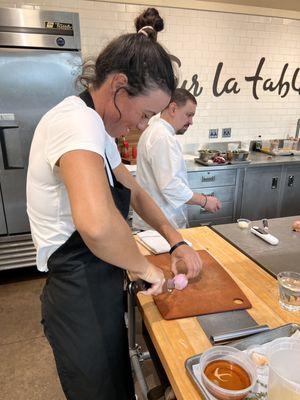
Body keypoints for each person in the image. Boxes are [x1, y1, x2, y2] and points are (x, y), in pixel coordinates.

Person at [26, 8, 202, 400]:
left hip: (100, 281)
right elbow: (96, 225)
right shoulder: (75, 122)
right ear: (119, 87)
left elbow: (135, 190)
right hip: (76, 294)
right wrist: (146, 269)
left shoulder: (100, 132)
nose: (144, 125)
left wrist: (176, 241)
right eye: (145, 113)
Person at [132, 89, 221, 231]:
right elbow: (170, 185)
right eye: (189, 115)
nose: (191, 122)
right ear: (173, 109)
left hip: (156, 223)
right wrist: (204, 201)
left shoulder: (158, 131)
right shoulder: (162, 137)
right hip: (158, 226)